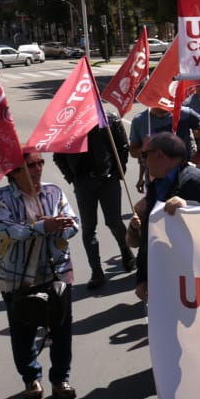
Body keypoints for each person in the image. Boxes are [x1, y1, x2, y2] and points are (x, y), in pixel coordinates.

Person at [132, 132, 200, 399]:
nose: (143, 161)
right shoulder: (156, 183)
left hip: (198, 276)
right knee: (178, 343)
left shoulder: (194, 180)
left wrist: (189, 205)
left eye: (145, 156)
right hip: (168, 276)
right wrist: (143, 277)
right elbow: (150, 236)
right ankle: (193, 397)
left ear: (160, 156)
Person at [0, 148, 80, 399]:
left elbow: (73, 223)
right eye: (31, 165)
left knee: (61, 328)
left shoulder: (54, 192)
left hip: (56, 271)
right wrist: (42, 226)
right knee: (23, 331)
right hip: (17, 276)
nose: (38, 169)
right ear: (14, 171)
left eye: (40, 163)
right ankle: (31, 378)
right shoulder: (0, 198)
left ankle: (60, 379)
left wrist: (62, 226)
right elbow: (7, 229)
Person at [53, 113, 132, 289]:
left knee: (114, 221)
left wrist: (117, 172)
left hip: (108, 179)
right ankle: (96, 270)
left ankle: (126, 250)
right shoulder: (68, 123)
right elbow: (58, 155)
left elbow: (122, 147)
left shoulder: (109, 119)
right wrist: (72, 178)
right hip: (83, 182)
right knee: (89, 227)